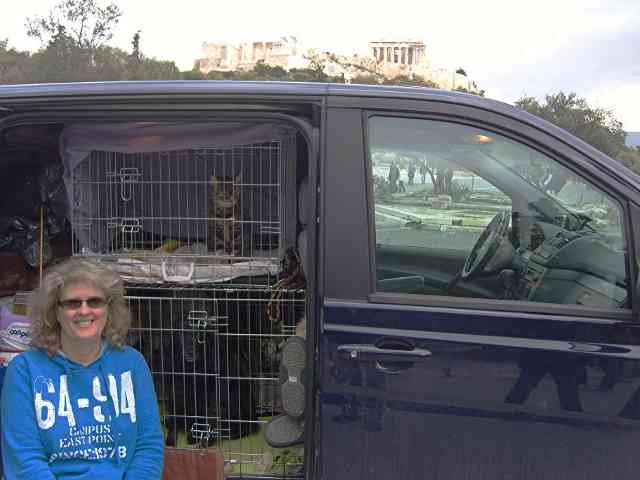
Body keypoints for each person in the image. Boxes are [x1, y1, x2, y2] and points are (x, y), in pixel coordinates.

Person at [1, 257, 164, 480]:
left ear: (109, 309)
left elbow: (149, 447)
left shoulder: (132, 364)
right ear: (54, 312)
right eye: (72, 303)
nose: (84, 311)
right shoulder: (24, 371)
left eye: (95, 302)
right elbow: (24, 461)